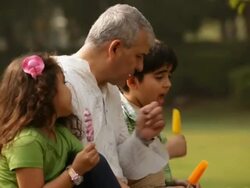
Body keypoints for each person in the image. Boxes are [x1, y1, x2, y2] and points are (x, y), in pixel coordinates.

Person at [56, 4, 167, 187]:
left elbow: (119, 169)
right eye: (139, 56)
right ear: (115, 48)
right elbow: (40, 161)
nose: (140, 67)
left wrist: (140, 138)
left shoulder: (112, 91)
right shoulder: (58, 82)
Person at [0, 54, 120, 188]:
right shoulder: (27, 141)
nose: (69, 90)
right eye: (63, 83)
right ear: (46, 94)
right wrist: (75, 171)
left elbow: (91, 165)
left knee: (97, 163)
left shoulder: (59, 133)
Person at [121, 40, 201, 188]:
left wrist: (174, 182)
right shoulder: (120, 116)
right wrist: (166, 150)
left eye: (169, 76)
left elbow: (149, 177)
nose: (168, 84)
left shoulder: (148, 113)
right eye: (159, 77)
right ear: (132, 81)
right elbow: (119, 174)